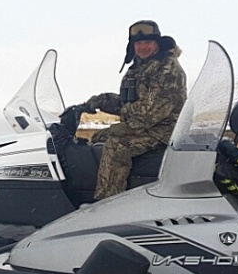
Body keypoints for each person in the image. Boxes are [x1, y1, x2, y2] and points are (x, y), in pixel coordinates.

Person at [75, 20, 187, 200]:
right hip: (144, 127)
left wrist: (128, 127)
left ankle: (107, 203)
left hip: (165, 130)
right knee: (97, 138)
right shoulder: (137, 68)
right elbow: (128, 104)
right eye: (139, 43)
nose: (143, 47)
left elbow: (153, 109)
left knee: (118, 145)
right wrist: (100, 101)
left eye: (148, 43)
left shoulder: (167, 68)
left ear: (157, 43)